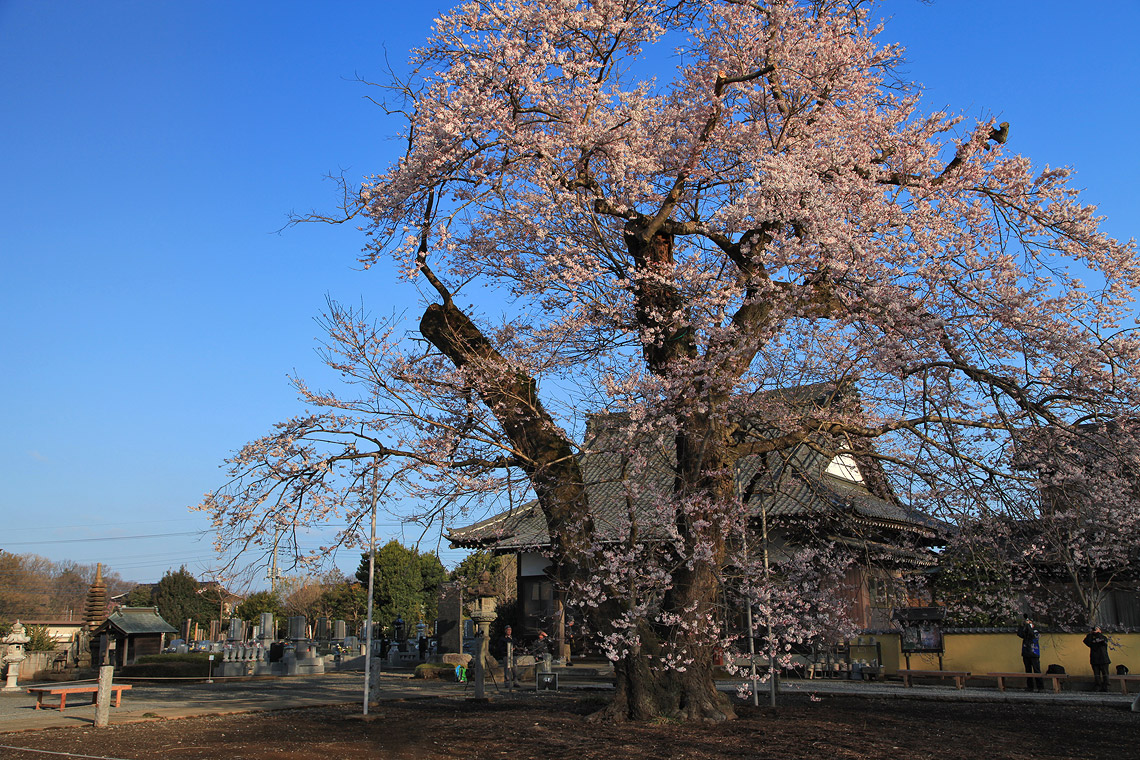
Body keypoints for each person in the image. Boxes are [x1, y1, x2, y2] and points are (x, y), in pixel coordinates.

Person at [1017, 617, 1044, 692]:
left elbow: (1032, 634)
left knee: (1037, 671)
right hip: (1026, 653)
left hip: (1034, 653)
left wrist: (1028, 625)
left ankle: (1040, 687)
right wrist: (1022, 626)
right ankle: (1030, 687)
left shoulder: (1035, 631)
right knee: (1028, 671)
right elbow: (1019, 634)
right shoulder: (1025, 631)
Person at [1083, 626, 1111, 692]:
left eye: (1097, 629)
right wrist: (1091, 633)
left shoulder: (1103, 637)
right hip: (1094, 659)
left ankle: (1106, 687)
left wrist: (1098, 633)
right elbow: (1087, 642)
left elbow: (1103, 641)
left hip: (1103, 659)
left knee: (1105, 674)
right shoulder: (1091, 638)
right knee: (1097, 675)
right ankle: (1098, 686)